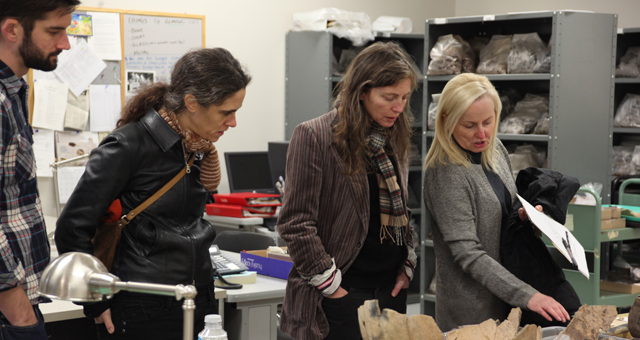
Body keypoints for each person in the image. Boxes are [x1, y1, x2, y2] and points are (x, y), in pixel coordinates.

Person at [55, 48, 251, 340]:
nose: (233, 122)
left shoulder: (197, 147)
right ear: (192, 103)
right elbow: (72, 228)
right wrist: (94, 302)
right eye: (226, 112)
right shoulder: (127, 145)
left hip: (197, 298)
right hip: (142, 304)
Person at [278, 41, 418, 340]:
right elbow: (295, 222)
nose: (399, 107)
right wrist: (333, 287)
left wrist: (408, 264)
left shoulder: (393, 136)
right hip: (341, 296)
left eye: (405, 97)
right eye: (389, 97)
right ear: (362, 92)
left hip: (391, 292)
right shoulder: (315, 135)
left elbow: (402, 209)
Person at [422, 73, 570, 332]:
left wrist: (525, 216)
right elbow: (468, 253)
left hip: (508, 299)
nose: (482, 133)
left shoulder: (494, 149)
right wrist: (527, 295)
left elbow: (502, 210)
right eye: (469, 125)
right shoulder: (446, 172)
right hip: (474, 314)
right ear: (446, 121)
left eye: (488, 122)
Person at [0, 0, 79, 338]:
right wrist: (13, 302)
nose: (65, 43)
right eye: (54, 31)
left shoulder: (15, 91)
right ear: (12, 30)